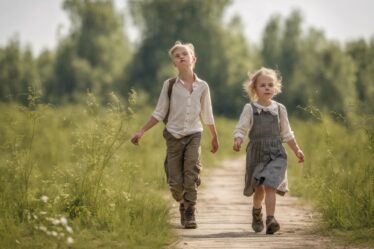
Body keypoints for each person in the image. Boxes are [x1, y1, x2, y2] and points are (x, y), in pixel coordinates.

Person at [131, 41, 219, 229]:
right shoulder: (169, 85)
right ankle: (183, 199)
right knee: (176, 186)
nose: (181, 57)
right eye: (177, 56)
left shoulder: (203, 86)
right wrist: (141, 131)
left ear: (193, 59)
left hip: (194, 133)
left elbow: (207, 113)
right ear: (174, 63)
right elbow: (159, 113)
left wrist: (214, 136)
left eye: (184, 54)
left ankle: (189, 211)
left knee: (190, 172)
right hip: (173, 135)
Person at [233, 67, 304, 234]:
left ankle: (271, 219)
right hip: (257, 154)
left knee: (270, 184)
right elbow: (241, 128)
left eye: (270, 85)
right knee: (259, 190)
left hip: (276, 153)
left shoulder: (280, 109)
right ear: (255, 88)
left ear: (276, 88)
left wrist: (297, 150)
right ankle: (257, 212)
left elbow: (287, 133)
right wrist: (238, 139)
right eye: (263, 85)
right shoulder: (250, 108)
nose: (267, 88)